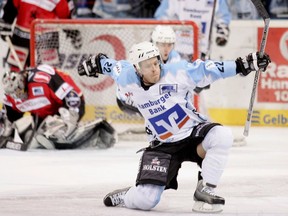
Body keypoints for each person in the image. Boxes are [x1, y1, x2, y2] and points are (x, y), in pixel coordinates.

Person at [77, 41, 271, 213]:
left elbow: (210, 69)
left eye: (156, 62)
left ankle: (205, 188)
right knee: (146, 200)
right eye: (148, 66)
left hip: (193, 135)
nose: (154, 69)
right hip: (163, 146)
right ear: (137, 69)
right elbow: (109, 65)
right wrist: (96, 63)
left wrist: (243, 64)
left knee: (222, 135)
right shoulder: (126, 76)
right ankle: (128, 195)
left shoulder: (178, 72)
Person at [0, 64, 116, 150]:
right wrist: (5, 136)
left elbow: (72, 97)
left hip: (70, 104)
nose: (17, 96)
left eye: (18, 90)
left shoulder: (42, 78)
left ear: (21, 82)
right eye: (13, 94)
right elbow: (8, 119)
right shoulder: (10, 97)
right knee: (36, 140)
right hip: (45, 113)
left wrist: (70, 119)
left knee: (60, 133)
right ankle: (57, 134)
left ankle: (97, 131)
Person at [117, 25, 182, 115]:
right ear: (155, 43)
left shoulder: (175, 57)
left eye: (169, 45)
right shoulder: (140, 55)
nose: (166, 49)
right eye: (162, 44)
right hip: (127, 100)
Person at [0, 0, 75, 71]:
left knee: (48, 72)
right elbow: (65, 17)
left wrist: (6, 23)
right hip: (29, 39)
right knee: (17, 73)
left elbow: (65, 16)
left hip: (33, 39)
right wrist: (5, 24)